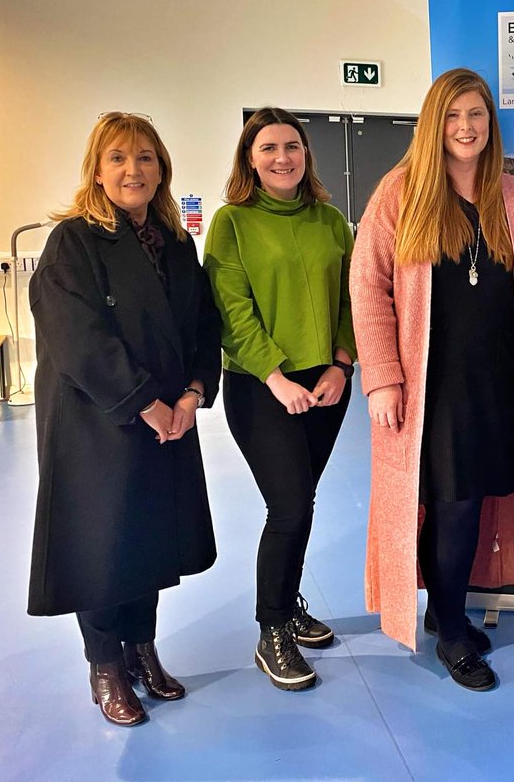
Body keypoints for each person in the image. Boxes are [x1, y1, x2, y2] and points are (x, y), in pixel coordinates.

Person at [351, 67, 514, 692]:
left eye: (476, 114)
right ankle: (451, 635)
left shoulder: (512, 197)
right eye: (452, 115)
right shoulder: (401, 192)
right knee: (452, 505)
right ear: (433, 123)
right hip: (432, 388)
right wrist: (382, 378)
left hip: (498, 381)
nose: (465, 127)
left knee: (479, 498)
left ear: (490, 122)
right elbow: (368, 286)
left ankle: (447, 613)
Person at [27, 112, 221, 727]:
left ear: (161, 169)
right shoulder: (74, 242)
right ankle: (105, 665)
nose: (132, 170)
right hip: (97, 422)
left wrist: (193, 393)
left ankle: (142, 648)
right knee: (102, 544)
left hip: (168, 417)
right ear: (97, 170)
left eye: (144, 158)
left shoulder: (175, 242)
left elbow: (203, 324)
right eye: (118, 157)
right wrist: (145, 402)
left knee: (150, 538)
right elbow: (78, 338)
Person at [204, 107, 356, 692]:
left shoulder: (330, 221)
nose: (282, 157)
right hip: (260, 384)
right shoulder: (231, 222)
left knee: (303, 501)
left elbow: (352, 300)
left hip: (326, 383)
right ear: (250, 158)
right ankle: (272, 630)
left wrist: (341, 364)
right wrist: (275, 377)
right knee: (288, 505)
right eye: (268, 147)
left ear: (305, 154)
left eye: (291, 146)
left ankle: (288, 606)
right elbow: (230, 309)